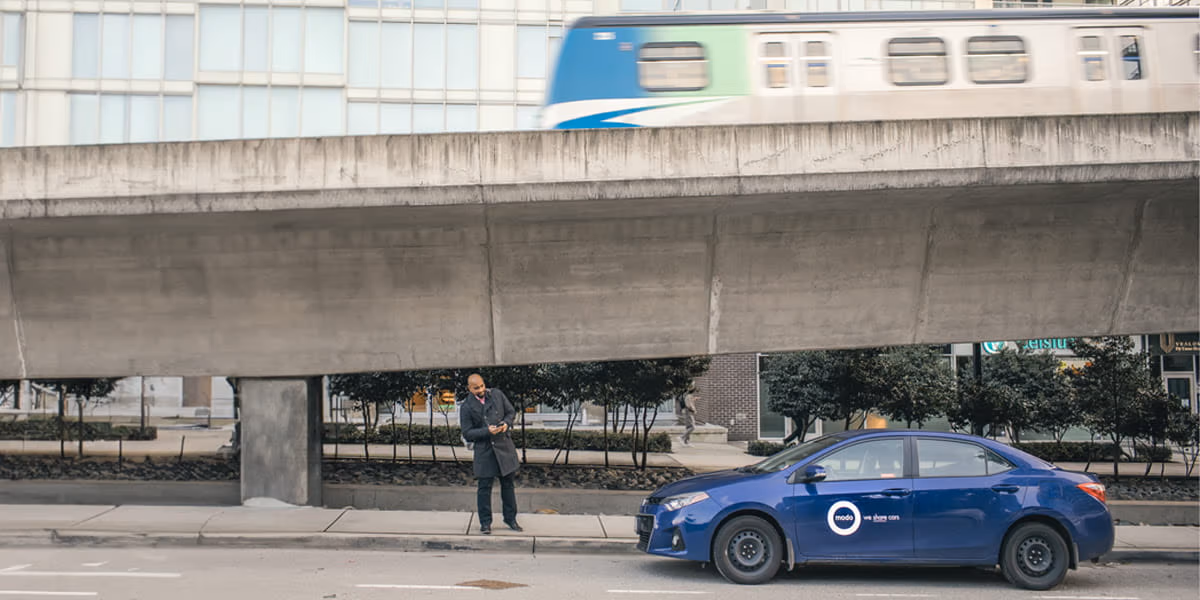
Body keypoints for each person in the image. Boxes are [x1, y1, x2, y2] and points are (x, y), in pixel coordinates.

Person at [459, 373, 522, 534]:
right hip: (485, 451)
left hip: (504, 447)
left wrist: (506, 424)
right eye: (476, 388)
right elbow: (467, 433)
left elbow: (510, 412)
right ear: (469, 388)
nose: (480, 389)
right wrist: (486, 431)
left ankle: (511, 519)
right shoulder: (466, 407)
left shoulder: (497, 394)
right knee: (484, 488)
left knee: (508, 485)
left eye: (482, 386)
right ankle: (485, 523)